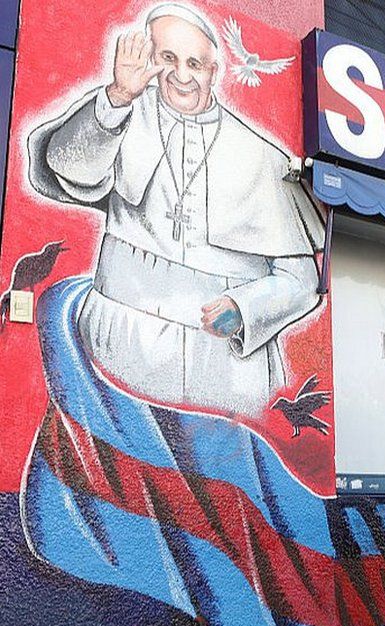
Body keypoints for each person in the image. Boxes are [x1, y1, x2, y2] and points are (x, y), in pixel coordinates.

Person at [27, 3, 324, 416]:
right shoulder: (122, 113)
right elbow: (66, 167)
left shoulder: (261, 157)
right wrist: (116, 98)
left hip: (222, 372)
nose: (182, 76)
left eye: (195, 63)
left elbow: (302, 280)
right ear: (150, 58)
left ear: (214, 72)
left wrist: (245, 308)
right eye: (168, 58)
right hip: (118, 353)